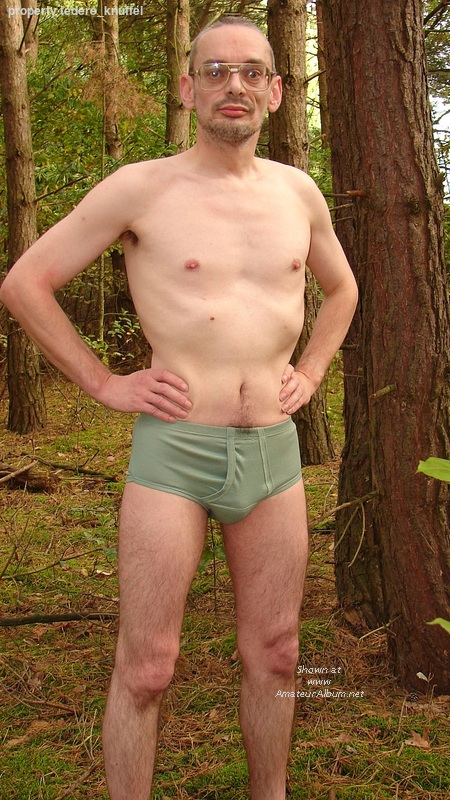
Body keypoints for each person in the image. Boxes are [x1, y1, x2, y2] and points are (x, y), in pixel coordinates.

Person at [0, 15, 358, 800]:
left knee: (278, 652)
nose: (235, 85)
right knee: (148, 665)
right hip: (175, 454)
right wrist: (103, 382)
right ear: (189, 88)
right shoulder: (143, 188)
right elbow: (25, 283)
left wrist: (312, 369)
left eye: (252, 71)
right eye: (216, 70)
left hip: (273, 455)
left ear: (275, 91)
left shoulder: (298, 193)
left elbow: (343, 289)